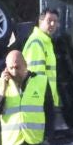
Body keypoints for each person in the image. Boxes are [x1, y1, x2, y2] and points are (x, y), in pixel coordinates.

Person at [22, 7, 63, 136]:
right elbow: (35, 75)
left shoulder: (45, 42)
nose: (52, 24)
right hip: (40, 98)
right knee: (42, 138)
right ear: (40, 21)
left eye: (55, 21)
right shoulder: (37, 42)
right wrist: (45, 100)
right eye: (49, 20)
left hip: (45, 97)